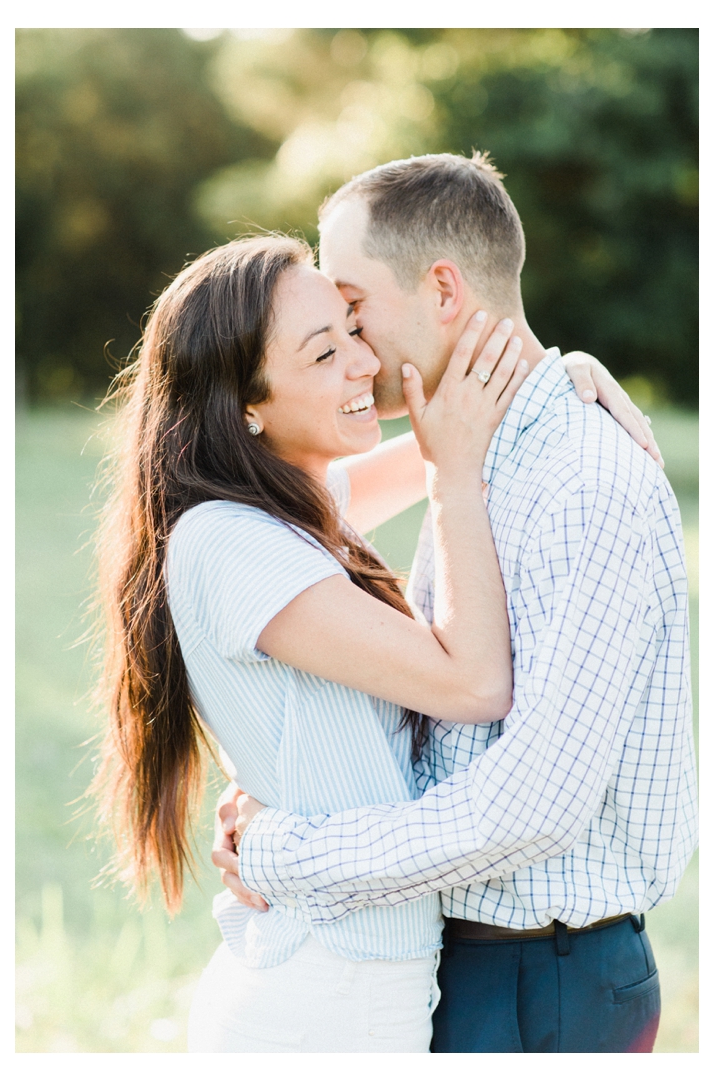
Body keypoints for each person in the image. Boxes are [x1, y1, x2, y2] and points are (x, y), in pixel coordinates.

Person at [214, 153, 697, 1053]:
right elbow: (443, 719)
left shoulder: (582, 483)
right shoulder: (469, 455)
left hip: (542, 981)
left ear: (443, 289)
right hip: (471, 961)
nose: (354, 349)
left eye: (354, 311)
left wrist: (289, 853)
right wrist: (289, 793)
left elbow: (531, 805)